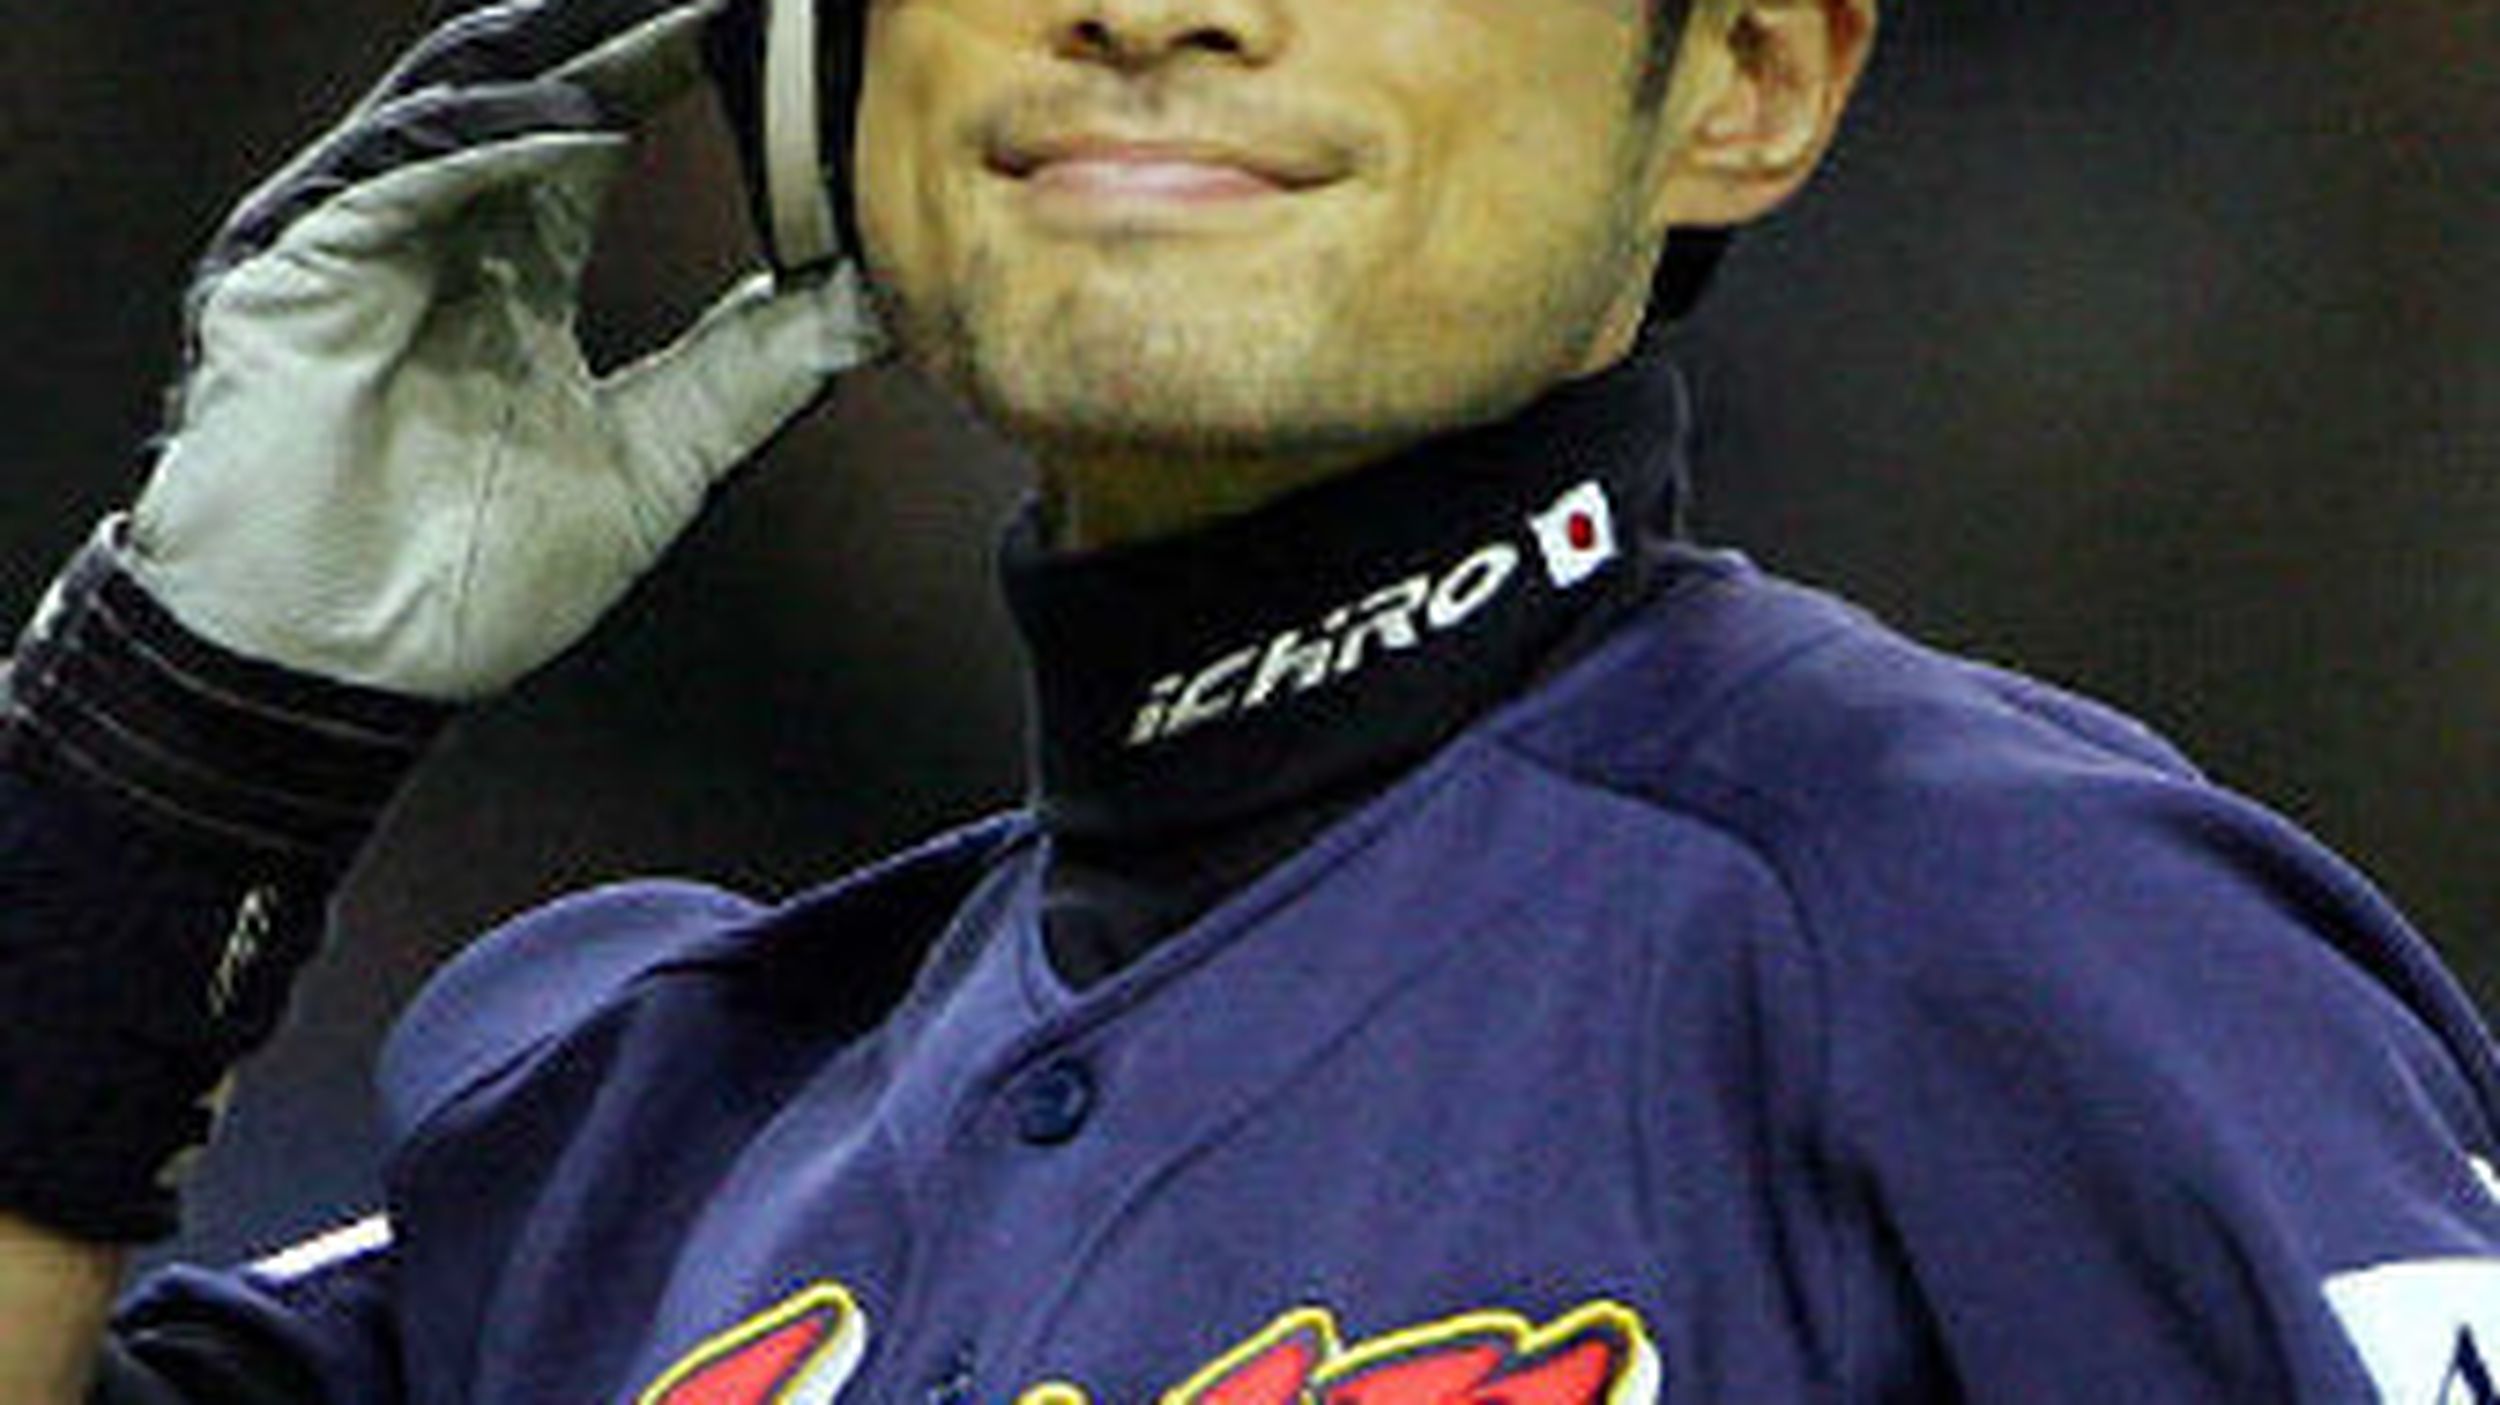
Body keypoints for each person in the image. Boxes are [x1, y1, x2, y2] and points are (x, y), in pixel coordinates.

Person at [3, 0, 2497, 1399]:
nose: (1155, 4)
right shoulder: (624, 1123)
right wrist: (175, 754)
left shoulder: (2020, 955)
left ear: (1743, 74)